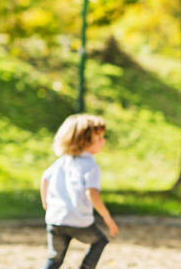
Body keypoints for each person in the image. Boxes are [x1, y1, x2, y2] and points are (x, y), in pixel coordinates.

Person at [40, 114, 119, 269]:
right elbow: (92, 193)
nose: (104, 141)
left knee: (54, 258)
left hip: (55, 219)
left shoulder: (62, 161)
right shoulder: (90, 166)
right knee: (100, 241)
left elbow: (45, 179)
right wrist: (107, 217)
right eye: (99, 138)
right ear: (84, 142)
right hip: (79, 221)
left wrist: (46, 204)